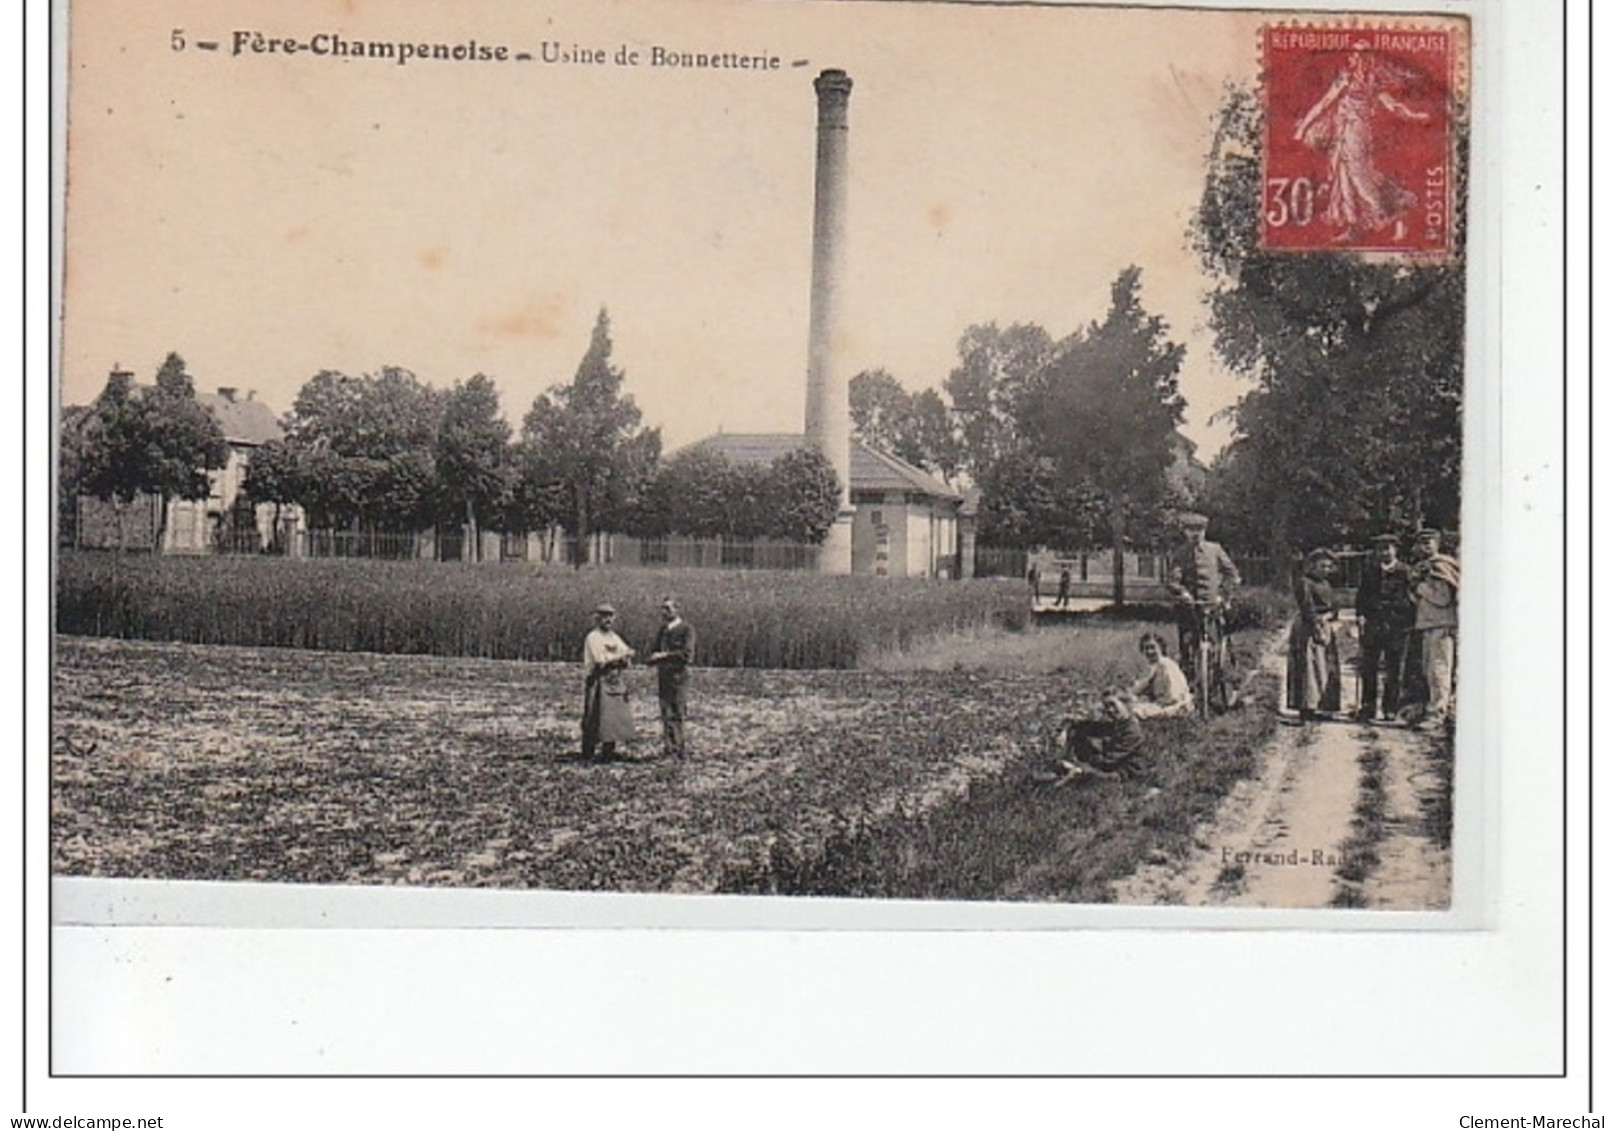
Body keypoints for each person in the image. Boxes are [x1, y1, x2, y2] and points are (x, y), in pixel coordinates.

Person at [1293, 46, 1432, 243]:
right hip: (1343, 133)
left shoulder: (1372, 82)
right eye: (1356, 56)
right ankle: (1377, 221)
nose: (1359, 60)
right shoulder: (1345, 79)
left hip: (1358, 133)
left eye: (1364, 57)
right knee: (1348, 178)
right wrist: (1304, 127)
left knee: (1360, 177)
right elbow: (1324, 103)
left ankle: (1387, 215)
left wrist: (1414, 116)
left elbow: (1392, 106)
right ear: (1352, 59)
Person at [1165, 512, 1241, 686]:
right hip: (1190, 606)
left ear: (1205, 531)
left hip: (1214, 605)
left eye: (1199, 529)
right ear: (1184, 531)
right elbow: (1172, 580)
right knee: (1187, 641)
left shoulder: (1215, 549)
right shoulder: (1180, 554)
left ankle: (1225, 671)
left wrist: (1224, 595)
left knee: (1218, 640)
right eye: (1190, 530)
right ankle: (1189, 676)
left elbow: (1233, 574)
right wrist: (1182, 592)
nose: (1195, 534)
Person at [1354, 533, 1414, 721]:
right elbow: (1361, 597)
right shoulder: (1370, 571)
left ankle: (1390, 708)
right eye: (1380, 548)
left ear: (1396, 550)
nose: (1383, 552)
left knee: (1393, 669)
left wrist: (1406, 621)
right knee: (1369, 666)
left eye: (1387, 548)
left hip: (1396, 627)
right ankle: (1367, 706)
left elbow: (1411, 599)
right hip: (1373, 625)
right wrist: (1360, 616)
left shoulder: (1405, 572)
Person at [1408, 528, 1460, 730]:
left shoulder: (1440, 566)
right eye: (1420, 543)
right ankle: (1439, 708)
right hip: (1428, 623)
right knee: (1429, 670)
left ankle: (1437, 713)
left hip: (1441, 624)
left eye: (1428, 543)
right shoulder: (1424, 567)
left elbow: (1442, 598)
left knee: (1439, 670)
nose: (1423, 547)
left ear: (1437, 544)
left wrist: (1420, 586)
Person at [1039, 690, 1149, 785]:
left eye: (1113, 704)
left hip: (1125, 773)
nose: (1110, 710)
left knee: (1082, 774)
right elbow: (1086, 726)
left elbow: (1109, 759)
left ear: (1126, 704)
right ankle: (1064, 770)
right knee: (1078, 734)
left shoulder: (1132, 731)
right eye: (1106, 707)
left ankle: (1066, 774)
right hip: (1109, 765)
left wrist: (1083, 764)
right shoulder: (1117, 723)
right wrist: (1065, 730)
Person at [1287, 548, 1342, 721]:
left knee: (1325, 665)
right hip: (1308, 627)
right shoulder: (1304, 582)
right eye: (1322, 566)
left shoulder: (1326, 584)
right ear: (1312, 565)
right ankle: (1307, 706)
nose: (1325, 570)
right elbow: (1306, 606)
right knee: (1309, 665)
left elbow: (1334, 607)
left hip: (1325, 624)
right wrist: (1316, 625)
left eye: (1328, 567)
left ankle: (1325, 705)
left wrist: (1330, 617)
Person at [581, 602, 636, 762]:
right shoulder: (593, 637)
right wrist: (619, 658)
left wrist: (621, 658)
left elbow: (627, 652)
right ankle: (587, 752)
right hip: (597, 679)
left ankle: (608, 751)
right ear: (597, 618)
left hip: (613, 679)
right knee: (593, 715)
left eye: (610, 616)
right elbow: (600, 660)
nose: (608, 620)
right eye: (604, 616)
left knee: (612, 717)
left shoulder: (614, 637)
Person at [645, 596, 695, 760]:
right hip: (664, 676)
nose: (664, 612)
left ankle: (679, 749)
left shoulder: (686, 629)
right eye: (663, 608)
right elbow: (655, 650)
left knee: (678, 712)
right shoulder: (663, 630)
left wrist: (664, 655)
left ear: (677, 609)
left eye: (668, 608)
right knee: (666, 713)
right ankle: (669, 748)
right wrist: (652, 658)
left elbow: (687, 655)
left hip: (679, 677)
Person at [1130, 632, 1194, 719]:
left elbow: (1174, 696)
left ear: (1160, 648)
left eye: (1152, 647)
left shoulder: (1165, 665)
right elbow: (1141, 687)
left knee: (1133, 710)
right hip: (1166, 702)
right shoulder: (1155, 666)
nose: (1149, 651)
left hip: (1175, 705)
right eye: (1146, 648)